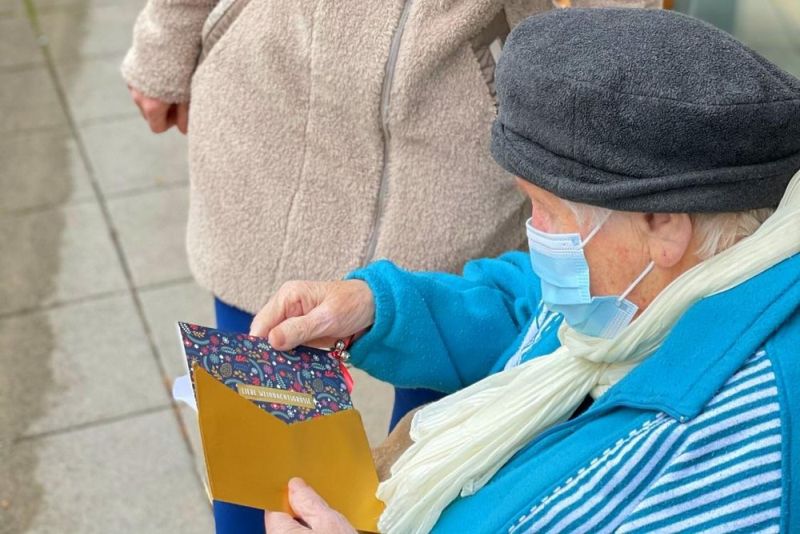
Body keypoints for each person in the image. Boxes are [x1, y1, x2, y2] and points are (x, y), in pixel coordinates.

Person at [249, 8, 800, 533]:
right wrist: (381, 308)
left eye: (548, 209)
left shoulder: (744, 440)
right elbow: (532, 308)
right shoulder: (651, 284)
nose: (535, 233)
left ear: (664, 226)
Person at [122, 0, 555, 439]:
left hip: (459, 143)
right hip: (271, 108)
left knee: (441, 462)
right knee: (260, 458)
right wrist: (168, 33)